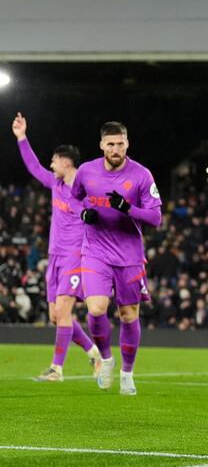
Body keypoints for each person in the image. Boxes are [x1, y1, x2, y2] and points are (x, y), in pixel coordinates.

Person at [71, 121, 162, 395]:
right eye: (110, 144)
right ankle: (107, 359)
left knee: (127, 315)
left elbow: (156, 217)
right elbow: (75, 198)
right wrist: (83, 213)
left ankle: (127, 373)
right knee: (97, 308)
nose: (115, 148)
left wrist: (128, 208)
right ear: (101, 145)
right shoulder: (86, 171)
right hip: (95, 252)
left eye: (120, 143)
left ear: (127, 143)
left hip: (129, 255)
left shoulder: (142, 175)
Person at [12, 113, 101, 381]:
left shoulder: (86, 192)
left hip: (75, 256)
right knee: (55, 316)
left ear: (65, 162)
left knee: (63, 311)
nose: (50, 165)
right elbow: (34, 167)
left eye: (54, 160)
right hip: (55, 256)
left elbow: (101, 218)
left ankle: (56, 369)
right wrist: (21, 138)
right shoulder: (56, 184)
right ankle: (93, 352)